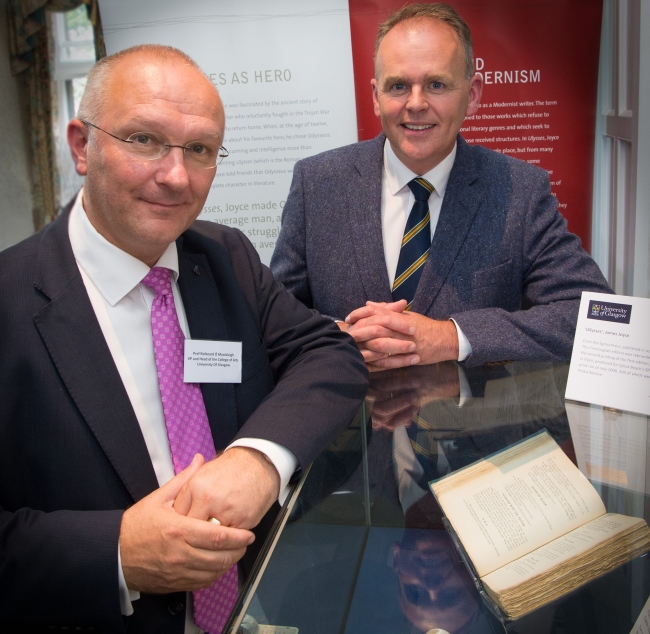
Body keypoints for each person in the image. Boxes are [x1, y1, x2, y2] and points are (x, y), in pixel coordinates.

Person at [0, 45, 368, 633]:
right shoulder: (10, 301)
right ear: (81, 146)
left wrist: (259, 460)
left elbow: (328, 352)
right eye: (144, 139)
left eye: (198, 149)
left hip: (251, 608)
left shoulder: (224, 257)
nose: (175, 176)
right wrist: (117, 552)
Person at [270, 2, 612, 370]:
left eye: (436, 84)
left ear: (473, 93)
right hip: (349, 422)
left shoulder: (520, 192)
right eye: (398, 86)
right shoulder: (317, 183)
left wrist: (452, 337)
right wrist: (338, 337)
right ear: (375, 96)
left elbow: (594, 317)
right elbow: (274, 315)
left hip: (469, 423)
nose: (416, 104)